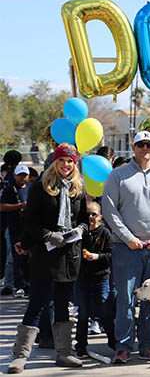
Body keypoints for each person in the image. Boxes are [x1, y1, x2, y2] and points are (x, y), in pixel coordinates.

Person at [8, 144, 88, 373]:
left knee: (63, 305)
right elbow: (29, 221)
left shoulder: (78, 189)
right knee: (37, 303)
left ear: (74, 164)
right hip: (45, 254)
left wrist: (80, 230)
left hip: (69, 255)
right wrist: (47, 235)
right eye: (62, 161)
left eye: (70, 161)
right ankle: (20, 356)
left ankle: (63, 353)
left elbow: (83, 219)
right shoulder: (40, 187)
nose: (66, 165)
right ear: (55, 162)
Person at [102, 131, 150, 364]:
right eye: (140, 144)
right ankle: (124, 346)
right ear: (133, 147)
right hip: (127, 248)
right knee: (125, 298)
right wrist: (127, 237)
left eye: (149, 145)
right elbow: (109, 209)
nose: (145, 148)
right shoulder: (118, 175)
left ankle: (149, 344)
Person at [74, 201, 115, 358]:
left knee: (105, 311)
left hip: (101, 278)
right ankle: (81, 346)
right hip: (83, 278)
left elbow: (112, 255)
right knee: (83, 313)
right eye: (88, 214)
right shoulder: (81, 232)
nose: (90, 217)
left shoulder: (105, 233)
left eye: (94, 214)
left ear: (100, 217)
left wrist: (97, 257)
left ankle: (113, 342)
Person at [0, 165, 31, 298]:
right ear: (15, 176)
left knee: (28, 257)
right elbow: (2, 207)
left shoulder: (31, 189)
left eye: (25, 175)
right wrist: (20, 206)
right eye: (20, 175)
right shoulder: (9, 190)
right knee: (15, 257)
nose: (22, 177)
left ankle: (28, 284)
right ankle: (18, 285)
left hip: (29, 228)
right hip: (14, 229)